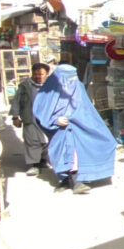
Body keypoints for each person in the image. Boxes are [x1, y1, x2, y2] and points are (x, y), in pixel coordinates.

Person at [32, 63, 116, 194]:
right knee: (62, 155)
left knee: (81, 153)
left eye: (74, 77)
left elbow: (86, 109)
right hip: (60, 131)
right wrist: (55, 120)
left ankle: (80, 181)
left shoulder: (78, 86)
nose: (72, 81)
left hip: (79, 127)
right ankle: (64, 181)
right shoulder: (48, 91)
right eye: (68, 78)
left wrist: (79, 120)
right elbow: (40, 111)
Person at [9, 62, 50, 176]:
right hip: (30, 118)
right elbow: (16, 101)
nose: (38, 76)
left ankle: (43, 160)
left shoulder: (51, 85)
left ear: (47, 74)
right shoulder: (25, 86)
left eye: (41, 74)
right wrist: (15, 116)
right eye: (35, 74)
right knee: (32, 142)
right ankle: (34, 165)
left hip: (46, 119)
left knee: (46, 142)